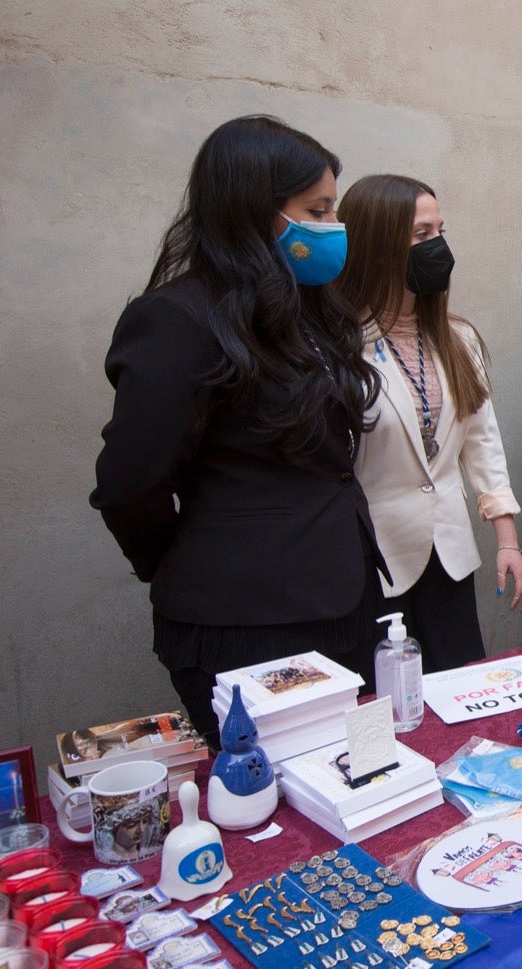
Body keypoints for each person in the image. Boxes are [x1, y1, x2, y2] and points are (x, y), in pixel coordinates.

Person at [91, 116, 381, 740]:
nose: (332, 229)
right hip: (243, 616)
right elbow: (128, 486)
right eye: (316, 210)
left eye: (333, 210)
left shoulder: (309, 307)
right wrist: (180, 557)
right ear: (253, 211)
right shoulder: (176, 320)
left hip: (341, 596)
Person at [336, 174, 522, 670]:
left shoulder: (458, 339)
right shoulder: (338, 348)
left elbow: (483, 446)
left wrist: (507, 541)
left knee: (462, 694)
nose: (439, 247)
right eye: (422, 235)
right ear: (379, 245)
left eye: (441, 231)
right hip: (371, 568)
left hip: (449, 558)